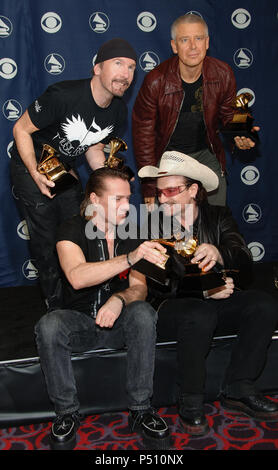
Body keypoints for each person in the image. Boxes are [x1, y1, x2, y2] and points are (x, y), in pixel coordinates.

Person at [137, 151, 278, 436]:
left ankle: (239, 387)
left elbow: (245, 266)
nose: (163, 198)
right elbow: (157, 287)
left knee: (262, 304)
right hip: (170, 309)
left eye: (172, 190)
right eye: (159, 192)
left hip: (216, 301)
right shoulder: (151, 224)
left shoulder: (218, 216)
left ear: (193, 190)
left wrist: (220, 253)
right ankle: (190, 400)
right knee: (199, 313)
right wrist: (205, 291)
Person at [34, 167, 171, 450]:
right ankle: (66, 412)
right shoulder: (71, 228)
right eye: (118, 199)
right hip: (81, 324)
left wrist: (119, 300)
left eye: (128, 198)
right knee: (49, 325)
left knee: (144, 312)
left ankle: (141, 409)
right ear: (95, 199)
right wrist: (130, 258)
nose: (127, 206)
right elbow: (77, 276)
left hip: (120, 323)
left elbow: (140, 288)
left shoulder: (132, 231)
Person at [10, 38, 137, 311]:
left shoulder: (118, 110)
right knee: (45, 236)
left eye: (131, 67)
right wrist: (34, 173)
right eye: (118, 64)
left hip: (63, 167)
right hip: (29, 164)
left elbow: (94, 146)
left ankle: (81, 297)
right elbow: (21, 129)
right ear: (97, 68)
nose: (125, 73)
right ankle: (56, 307)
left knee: (75, 228)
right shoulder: (63, 95)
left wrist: (109, 177)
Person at [132, 13, 259, 208]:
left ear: (207, 42)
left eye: (198, 38)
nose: (193, 46)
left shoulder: (222, 73)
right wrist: (149, 184)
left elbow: (228, 114)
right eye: (185, 40)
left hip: (205, 153)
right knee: (167, 226)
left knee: (216, 217)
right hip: (167, 157)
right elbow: (144, 133)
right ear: (174, 46)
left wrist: (241, 133)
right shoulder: (156, 80)